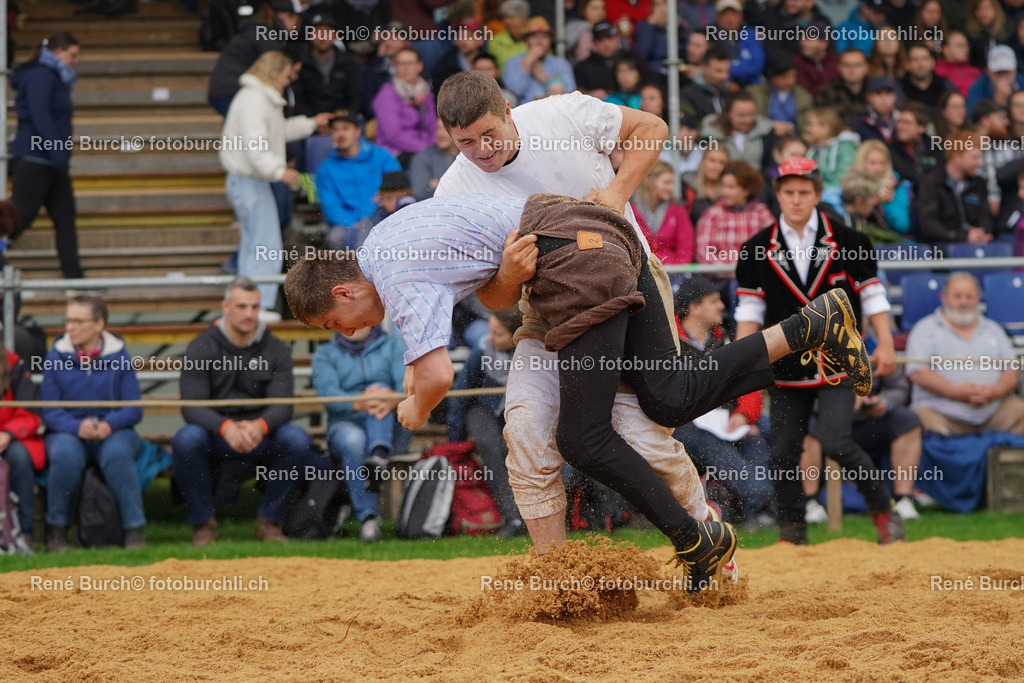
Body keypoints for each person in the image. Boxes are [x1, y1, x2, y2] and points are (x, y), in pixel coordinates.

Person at [284, 191, 872, 590]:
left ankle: (696, 541)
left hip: (573, 261)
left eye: (339, 323)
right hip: (604, 241)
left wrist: (412, 406)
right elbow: (477, 297)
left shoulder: (392, 274)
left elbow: (436, 377)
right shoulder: (386, 238)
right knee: (668, 397)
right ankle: (807, 329)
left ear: (342, 292)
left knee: (583, 438)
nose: (353, 332)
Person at [429, 72, 717, 582]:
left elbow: (652, 127)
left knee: (645, 441)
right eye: (465, 141)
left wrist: (615, 192)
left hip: (627, 286)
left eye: (488, 133)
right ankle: (557, 578)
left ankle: (709, 539)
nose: (481, 149)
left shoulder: (562, 114)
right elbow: (490, 296)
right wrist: (508, 276)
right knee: (524, 426)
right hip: (546, 315)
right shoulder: (453, 191)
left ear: (509, 110)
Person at [734, 156, 903, 546]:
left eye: (804, 192)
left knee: (836, 441)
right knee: (782, 454)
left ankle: (884, 513)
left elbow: (874, 296)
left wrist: (887, 344)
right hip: (786, 366)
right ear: (777, 194)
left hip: (841, 360)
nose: (795, 199)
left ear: (817, 193)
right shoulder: (755, 248)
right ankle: (793, 533)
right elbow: (749, 310)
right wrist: (744, 359)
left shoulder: (851, 241)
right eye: (788, 192)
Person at [172, 278, 316, 547]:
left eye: (254, 307)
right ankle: (203, 524)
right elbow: (191, 406)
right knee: (186, 439)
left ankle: (269, 522)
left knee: (297, 439)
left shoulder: (276, 348)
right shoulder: (200, 346)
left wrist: (259, 426)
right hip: (216, 434)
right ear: (225, 307)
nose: (249, 314)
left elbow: (283, 404)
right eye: (241, 306)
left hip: (261, 434)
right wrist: (226, 427)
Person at [220, 51, 331, 321]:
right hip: (252, 180)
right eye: (286, 74)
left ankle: (245, 306)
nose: (288, 79)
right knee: (264, 244)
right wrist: (277, 170)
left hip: (249, 180)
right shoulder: (255, 100)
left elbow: (277, 132)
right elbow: (255, 144)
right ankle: (258, 308)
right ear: (273, 72)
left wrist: (311, 123)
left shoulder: (258, 99)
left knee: (253, 246)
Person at [42, 295, 145, 552]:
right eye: (68, 320)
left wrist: (109, 424)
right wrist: (76, 427)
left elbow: (134, 408)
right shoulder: (55, 357)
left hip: (113, 431)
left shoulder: (120, 356)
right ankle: (57, 531)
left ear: (99, 324)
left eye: (78, 321)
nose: (70, 327)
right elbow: (49, 410)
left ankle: (134, 531)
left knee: (118, 454)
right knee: (65, 455)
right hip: (68, 431)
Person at [671, 277, 773, 530]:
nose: (721, 307)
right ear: (694, 308)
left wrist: (744, 416)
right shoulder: (667, 344)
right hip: (684, 424)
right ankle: (760, 500)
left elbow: (748, 384)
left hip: (726, 420)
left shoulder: (725, 340)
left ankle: (751, 508)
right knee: (710, 443)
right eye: (713, 301)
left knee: (758, 434)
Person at [312, 323, 409, 544]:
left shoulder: (393, 345)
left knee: (379, 390)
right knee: (355, 440)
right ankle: (370, 513)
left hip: (391, 425)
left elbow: (406, 388)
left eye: (358, 318)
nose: (352, 323)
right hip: (345, 424)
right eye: (345, 319)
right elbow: (328, 395)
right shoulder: (325, 354)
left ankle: (378, 456)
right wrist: (361, 402)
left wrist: (387, 397)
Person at [906, 272, 1024, 436]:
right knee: (919, 420)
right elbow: (918, 372)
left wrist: (996, 391)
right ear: (944, 297)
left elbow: (1012, 371)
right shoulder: (924, 329)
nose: (964, 301)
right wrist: (954, 391)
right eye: (957, 296)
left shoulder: (994, 329)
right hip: (941, 414)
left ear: (978, 298)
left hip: (994, 413)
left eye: (969, 296)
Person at [802, 365, 924, 523]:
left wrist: (883, 403)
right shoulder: (820, 347)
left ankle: (902, 500)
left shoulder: (878, 346)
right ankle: (810, 502)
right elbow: (802, 395)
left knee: (908, 421)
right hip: (825, 418)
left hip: (869, 419)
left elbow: (899, 388)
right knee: (806, 426)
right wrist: (841, 401)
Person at [447, 308, 527, 538]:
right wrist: (456, 440)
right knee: (492, 446)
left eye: (498, 334)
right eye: (491, 330)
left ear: (516, 336)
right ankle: (511, 517)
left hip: (515, 412)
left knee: (520, 449)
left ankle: (532, 515)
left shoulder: (532, 355)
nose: (490, 337)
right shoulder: (483, 348)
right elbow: (460, 394)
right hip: (482, 408)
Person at [10, 32, 84, 279]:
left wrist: (58, 155)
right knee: (17, 220)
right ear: (58, 52)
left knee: (65, 218)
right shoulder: (41, 75)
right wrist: (56, 150)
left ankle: (74, 279)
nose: (74, 61)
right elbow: (40, 115)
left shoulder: (50, 76)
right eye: (72, 55)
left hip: (51, 160)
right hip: (36, 159)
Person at [314, 112, 401, 250]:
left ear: (357, 131)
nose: (340, 134)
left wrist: (387, 199)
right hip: (347, 224)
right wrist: (352, 224)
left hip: (381, 218)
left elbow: (398, 185)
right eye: (335, 130)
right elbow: (330, 205)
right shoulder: (325, 168)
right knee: (335, 237)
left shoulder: (381, 155)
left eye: (345, 128)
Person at [206, 0, 301, 115]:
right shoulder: (266, 34)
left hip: (225, 88)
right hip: (231, 89)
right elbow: (273, 69)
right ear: (286, 16)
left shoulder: (259, 29)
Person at [0, 333, 45, 551]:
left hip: (10, 438)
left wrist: (8, 434)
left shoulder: (14, 364)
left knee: (19, 457)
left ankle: (25, 533)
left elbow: (30, 412)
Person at [914, 131, 993, 245]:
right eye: (974, 158)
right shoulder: (932, 183)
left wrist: (981, 232)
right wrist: (962, 237)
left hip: (976, 242)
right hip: (943, 244)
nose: (979, 163)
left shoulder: (978, 183)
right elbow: (928, 224)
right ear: (957, 156)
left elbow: (985, 217)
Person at [695, 160, 774, 266]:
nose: (724, 192)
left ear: (747, 190)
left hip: (755, 278)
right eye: (723, 186)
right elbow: (703, 252)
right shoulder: (712, 214)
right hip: (722, 279)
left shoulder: (762, 213)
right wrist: (728, 268)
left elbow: (773, 247)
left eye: (731, 187)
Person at [291, 11, 364, 118]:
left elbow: (357, 98)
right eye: (318, 31)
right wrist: (315, 121)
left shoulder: (350, 62)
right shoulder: (300, 64)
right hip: (309, 124)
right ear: (310, 35)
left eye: (328, 32)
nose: (322, 37)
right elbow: (297, 100)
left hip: (344, 122)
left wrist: (339, 119)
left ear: (335, 35)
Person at [372, 47, 436, 167]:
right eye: (401, 64)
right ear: (395, 67)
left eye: (410, 63)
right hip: (395, 152)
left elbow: (433, 127)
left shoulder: (425, 92)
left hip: (424, 149)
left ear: (419, 66)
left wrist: (433, 147)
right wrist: (424, 149)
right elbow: (393, 135)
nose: (406, 68)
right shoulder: (387, 94)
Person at [630, 161, 696, 265]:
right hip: (639, 271)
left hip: (672, 273)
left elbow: (685, 250)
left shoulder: (677, 209)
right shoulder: (630, 209)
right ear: (650, 182)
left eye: (672, 183)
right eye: (666, 183)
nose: (671, 188)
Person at [502, 16, 577, 103]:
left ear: (550, 40)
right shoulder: (512, 62)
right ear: (526, 40)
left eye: (544, 36)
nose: (539, 41)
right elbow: (514, 91)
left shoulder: (560, 63)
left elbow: (570, 93)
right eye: (534, 36)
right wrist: (527, 62)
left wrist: (544, 77)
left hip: (555, 109)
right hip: (524, 111)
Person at [848, 139, 912, 236]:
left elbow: (902, 226)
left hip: (886, 241)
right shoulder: (850, 184)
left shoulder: (895, 185)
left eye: (882, 163)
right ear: (861, 163)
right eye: (872, 163)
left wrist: (887, 203)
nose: (878, 168)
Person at [804, 106, 861, 212]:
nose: (807, 129)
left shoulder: (846, 147)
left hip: (840, 205)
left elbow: (844, 180)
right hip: (816, 199)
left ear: (825, 127)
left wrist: (817, 191)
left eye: (811, 124)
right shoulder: (814, 150)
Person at [749, 52, 814, 137]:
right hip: (765, 140)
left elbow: (807, 123)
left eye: (793, 76)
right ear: (772, 76)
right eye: (784, 77)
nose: (790, 81)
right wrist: (770, 126)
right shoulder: (755, 93)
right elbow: (750, 118)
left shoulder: (804, 97)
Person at [890, 100, 943, 192]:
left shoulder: (935, 149)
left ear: (921, 128)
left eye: (906, 123)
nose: (900, 126)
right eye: (899, 121)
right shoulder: (889, 150)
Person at [712, 0, 765, 86]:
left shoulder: (750, 34)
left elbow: (757, 66)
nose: (730, 18)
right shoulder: (711, 37)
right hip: (723, 86)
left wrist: (728, 67)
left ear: (741, 16)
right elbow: (712, 68)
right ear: (718, 17)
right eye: (725, 14)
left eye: (733, 13)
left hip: (751, 85)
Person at [816, 48, 871, 125]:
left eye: (857, 65)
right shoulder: (826, 94)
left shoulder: (875, 92)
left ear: (866, 68)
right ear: (839, 68)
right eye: (847, 65)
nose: (852, 70)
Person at [680, 44, 733, 122]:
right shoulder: (687, 95)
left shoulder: (730, 95)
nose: (723, 76)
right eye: (718, 71)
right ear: (704, 68)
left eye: (727, 71)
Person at [408, 117, 458, 200]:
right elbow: (420, 194)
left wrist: (438, 183)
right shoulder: (422, 158)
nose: (440, 133)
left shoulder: (469, 157)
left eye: (446, 129)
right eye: (438, 128)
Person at [966, 45, 1024, 115]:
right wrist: (997, 102)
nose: (1003, 76)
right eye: (998, 72)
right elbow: (973, 116)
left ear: (1015, 70)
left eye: (1006, 71)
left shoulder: (1022, 81)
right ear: (988, 71)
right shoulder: (978, 88)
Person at [900, 43, 956, 114]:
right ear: (907, 65)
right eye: (915, 60)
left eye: (924, 59)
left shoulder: (944, 84)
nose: (920, 64)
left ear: (933, 63)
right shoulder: (900, 86)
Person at [574, 20, 620, 99]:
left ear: (617, 38)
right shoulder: (582, 68)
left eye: (609, 38)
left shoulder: (631, 60)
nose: (606, 44)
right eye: (600, 40)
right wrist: (589, 94)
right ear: (593, 42)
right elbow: (574, 93)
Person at [683, 145, 729, 223]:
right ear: (703, 161)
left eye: (722, 163)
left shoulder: (728, 190)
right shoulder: (688, 184)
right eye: (712, 160)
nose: (716, 166)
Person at [853, 77, 901, 144]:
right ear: (869, 97)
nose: (884, 99)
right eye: (878, 94)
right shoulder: (858, 124)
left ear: (895, 96)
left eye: (888, 94)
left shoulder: (904, 120)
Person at [936, 31, 984, 97]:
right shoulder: (936, 71)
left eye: (967, 45)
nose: (966, 49)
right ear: (945, 49)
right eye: (960, 45)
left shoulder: (976, 73)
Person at [490, 0, 531, 69]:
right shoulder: (496, 41)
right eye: (505, 17)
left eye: (512, 17)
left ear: (524, 19)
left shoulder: (534, 38)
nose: (507, 22)